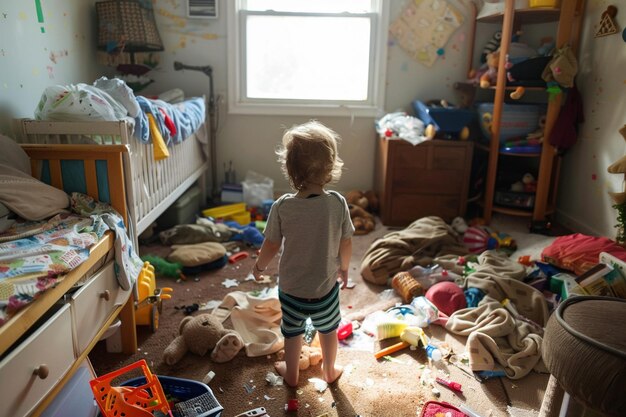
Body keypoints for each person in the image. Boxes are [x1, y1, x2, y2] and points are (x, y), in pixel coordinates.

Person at [251, 120, 354, 387]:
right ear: (330, 166)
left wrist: (260, 267)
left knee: (293, 332)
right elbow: (346, 241)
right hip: (325, 288)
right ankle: (329, 370)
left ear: (290, 169)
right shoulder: (337, 203)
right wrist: (344, 268)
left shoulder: (282, 206)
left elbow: (271, 245)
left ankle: (293, 374)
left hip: (291, 289)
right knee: (328, 329)